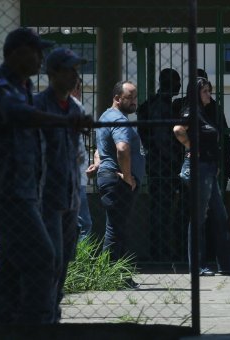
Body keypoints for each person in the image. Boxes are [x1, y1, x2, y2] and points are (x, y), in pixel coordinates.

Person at [0, 27, 83, 323]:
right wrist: (63, 122)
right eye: (34, 51)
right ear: (14, 53)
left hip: (27, 191)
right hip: (5, 190)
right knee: (42, 257)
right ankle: (37, 324)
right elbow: (15, 113)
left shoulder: (22, 87)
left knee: (11, 261)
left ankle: (3, 322)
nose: (40, 58)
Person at [34, 47, 89, 322]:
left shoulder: (76, 106)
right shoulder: (39, 105)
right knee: (50, 257)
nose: (75, 76)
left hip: (70, 193)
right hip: (45, 194)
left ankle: (53, 308)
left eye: (76, 70)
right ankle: (43, 313)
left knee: (66, 255)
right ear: (52, 73)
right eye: (69, 70)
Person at [173, 76, 230, 276]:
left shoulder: (203, 113)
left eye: (209, 91)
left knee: (220, 215)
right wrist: (191, 148)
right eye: (205, 91)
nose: (209, 95)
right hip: (198, 168)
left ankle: (226, 264)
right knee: (199, 218)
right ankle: (198, 266)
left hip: (208, 169)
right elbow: (178, 129)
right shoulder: (190, 110)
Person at [95, 80, 145, 288]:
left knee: (115, 227)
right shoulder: (118, 119)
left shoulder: (106, 116)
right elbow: (122, 149)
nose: (134, 102)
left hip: (111, 178)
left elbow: (100, 148)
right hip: (118, 181)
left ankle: (112, 275)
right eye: (129, 98)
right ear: (117, 98)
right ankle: (114, 277)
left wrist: (98, 162)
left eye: (135, 97)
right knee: (117, 229)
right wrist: (127, 176)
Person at [137, 68, 185, 261]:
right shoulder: (161, 106)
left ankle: (160, 251)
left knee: (161, 209)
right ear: (170, 84)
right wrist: (175, 163)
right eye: (177, 82)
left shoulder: (153, 104)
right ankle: (161, 253)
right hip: (164, 167)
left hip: (158, 165)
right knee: (162, 211)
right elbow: (161, 140)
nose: (180, 86)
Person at [72, 77, 94, 240]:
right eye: (76, 87)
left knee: (81, 223)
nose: (79, 91)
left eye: (79, 87)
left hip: (77, 176)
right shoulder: (73, 107)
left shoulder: (74, 108)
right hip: (73, 177)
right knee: (84, 224)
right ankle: (79, 261)